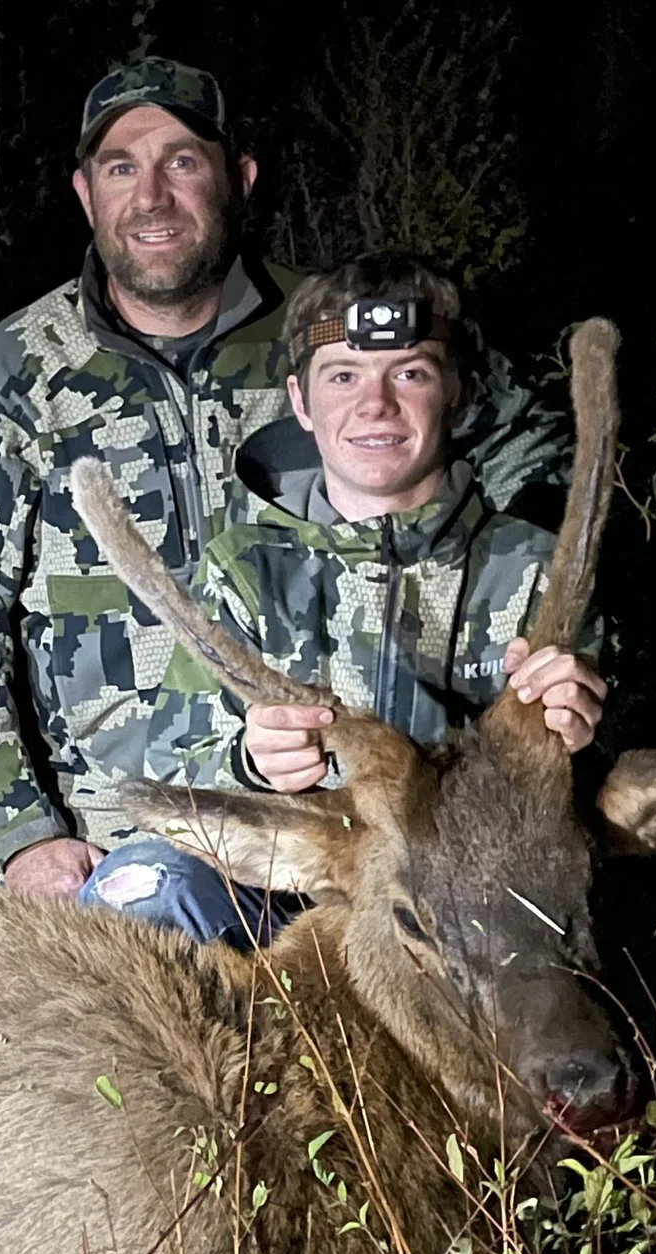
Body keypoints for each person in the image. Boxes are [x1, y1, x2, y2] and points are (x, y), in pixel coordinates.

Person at [0, 59, 563, 901]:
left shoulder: (327, 331)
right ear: (85, 193)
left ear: (237, 178)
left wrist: (533, 632)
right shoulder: (14, 376)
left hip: (353, 816)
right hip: (119, 831)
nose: (151, 195)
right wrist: (21, 831)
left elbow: (524, 444)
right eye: (120, 168)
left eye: (181, 161)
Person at [79, 251, 608, 946]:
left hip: (470, 909)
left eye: (410, 373)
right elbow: (171, 770)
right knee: (141, 890)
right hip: (291, 889)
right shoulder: (244, 569)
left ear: (458, 391)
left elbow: (588, 795)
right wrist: (249, 759)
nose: (375, 405)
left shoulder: (533, 572)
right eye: (343, 375)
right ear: (301, 401)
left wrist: (577, 732)